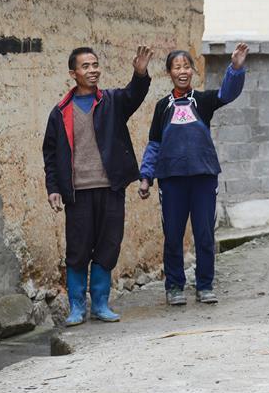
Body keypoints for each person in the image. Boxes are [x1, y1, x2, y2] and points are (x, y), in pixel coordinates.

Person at [43, 45, 153, 326]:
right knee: (78, 249)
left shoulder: (112, 101)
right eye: (85, 66)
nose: (92, 70)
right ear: (73, 73)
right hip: (77, 191)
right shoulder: (60, 112)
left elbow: (134, 95)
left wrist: (140, 75)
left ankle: (101, 304)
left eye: (95, 65)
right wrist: (53, 188)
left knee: (108, 245)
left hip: (110, 187)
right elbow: (50, 154)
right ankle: (77, 307)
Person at [138, 44, 249, 306]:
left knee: (204, 234)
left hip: (203, 177)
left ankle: (205, 285)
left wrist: (235, 68)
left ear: (193, 71)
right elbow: (154, 144)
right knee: (173, 235)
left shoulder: (202, 101)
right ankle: (174, 286)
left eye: (186, 66)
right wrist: (146, 176)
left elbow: (227, 94)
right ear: (169, 73)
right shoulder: (163, 107)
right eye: (177, 67)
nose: (182, 71)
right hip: (171, 180)